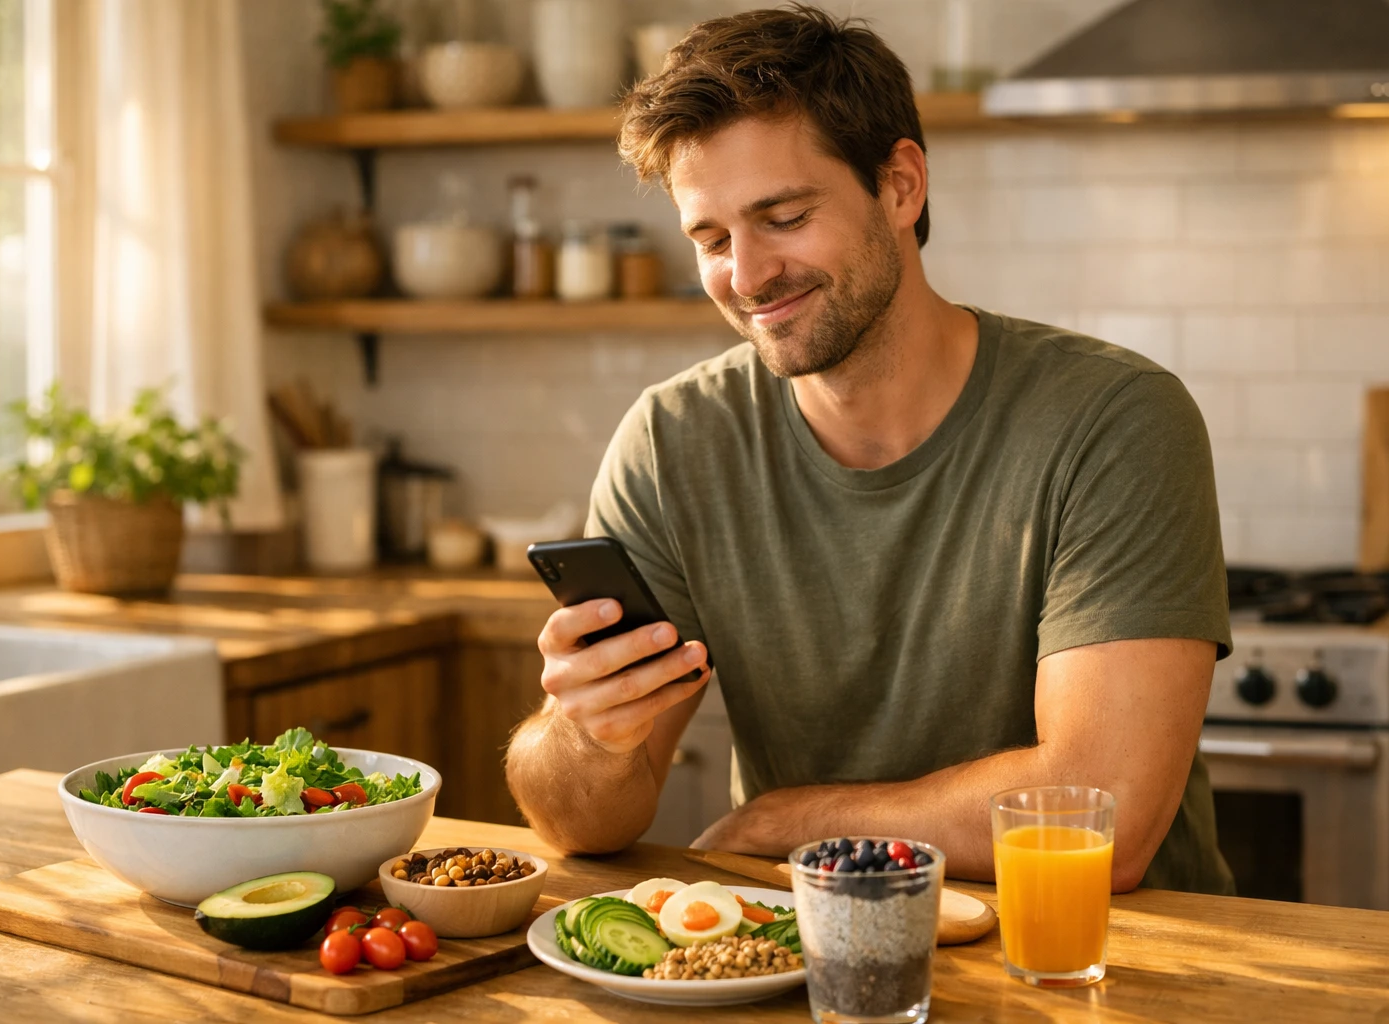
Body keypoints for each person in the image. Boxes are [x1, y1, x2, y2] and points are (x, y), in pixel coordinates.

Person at [505, 4, 1234, 894]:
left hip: (1111, 961)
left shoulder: (1113, 419)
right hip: (816, 957)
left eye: (783, 215)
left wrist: (788, 822)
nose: (746, 274)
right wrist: (585, 733)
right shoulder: (671, 443)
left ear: (900, 187)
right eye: (711, 237)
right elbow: (582, 825)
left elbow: (1099, 814)